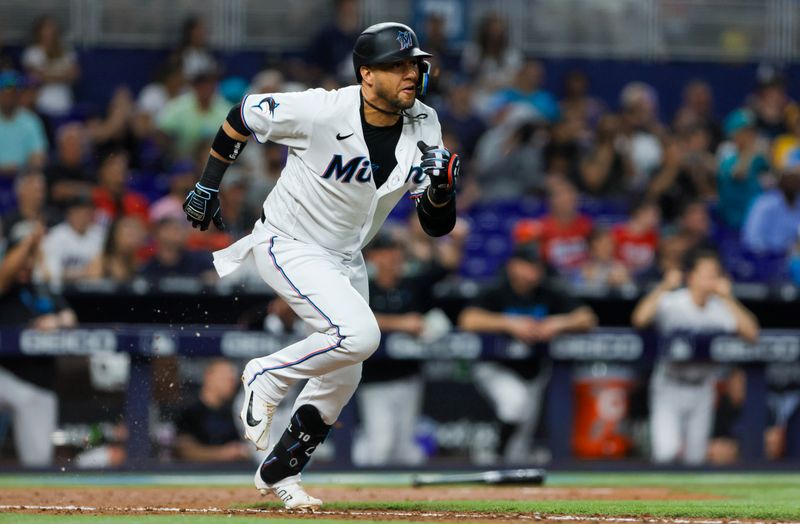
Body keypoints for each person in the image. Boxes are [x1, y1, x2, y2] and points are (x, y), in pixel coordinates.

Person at [182, 22, 458, 509]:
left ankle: (281, 475)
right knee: (361, 336)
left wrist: (440, 191)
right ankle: (265, 376)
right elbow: (242, 113)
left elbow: (436, 226)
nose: (410, 73)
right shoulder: (321, 109)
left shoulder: (424, 123)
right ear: (367, 74)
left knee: (345, 371)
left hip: (344, 257)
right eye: (397, 66)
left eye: (413, 63)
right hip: (288, 242)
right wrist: (208, 184)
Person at [458, 243, 597, 463]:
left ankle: (501, 471)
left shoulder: (548, 291)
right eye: (527, 266)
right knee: (514, 404)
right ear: (513, 266)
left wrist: (557, 323)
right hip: (496, 367)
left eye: (536, 266)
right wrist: (509, 323)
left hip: (533, 373)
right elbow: (468, 319)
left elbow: (587, 318)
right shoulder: (497, 290)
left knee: (520, 446)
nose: (533, 272)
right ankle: (492, 452)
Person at [631, 249, 759, 464]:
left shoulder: (720, 308)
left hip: (702, 387)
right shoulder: (674, 302)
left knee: (695, 458)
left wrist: (728, 297)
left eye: (715, 273)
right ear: (691, 277)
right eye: (707, 273)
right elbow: (640, 318)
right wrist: (663, 287)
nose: (712, 279)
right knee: (666, 453)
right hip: (670, 385)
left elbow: (752, 333)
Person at [175, 359, 250, 462]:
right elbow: (184, 450)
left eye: (233, 379)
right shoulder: (190, 411)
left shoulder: (233, 413)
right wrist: (222, 454)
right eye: (225, 378)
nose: (232, 383)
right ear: (209, 376)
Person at [741, 149, 800, 254]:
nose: (796, 181)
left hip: (791, 258)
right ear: (783, 177)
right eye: (793, 175)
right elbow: (753, 240)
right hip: (766, 258)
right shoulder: (765, 203)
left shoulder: (797, 201)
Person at [21, 15, 80, 119]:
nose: (49, 32)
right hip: (41, 104)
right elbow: (35, 77)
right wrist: (61, 75)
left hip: (64, 101)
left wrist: (46, 74)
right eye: (45, 28)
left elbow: (74, 75)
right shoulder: (32, 52)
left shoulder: (67, 51)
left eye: (51, 28)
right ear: (39, 31)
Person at [39, 194, 105, 287]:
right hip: (61, 293)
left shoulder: (98, 236)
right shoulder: (56, 236)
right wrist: (83, 273)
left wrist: (68, 273)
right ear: (69, 214)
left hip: (90, 293)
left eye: (86, 213)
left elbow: (96, 274)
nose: (82, 217)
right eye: (78, 212)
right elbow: (50, 274)